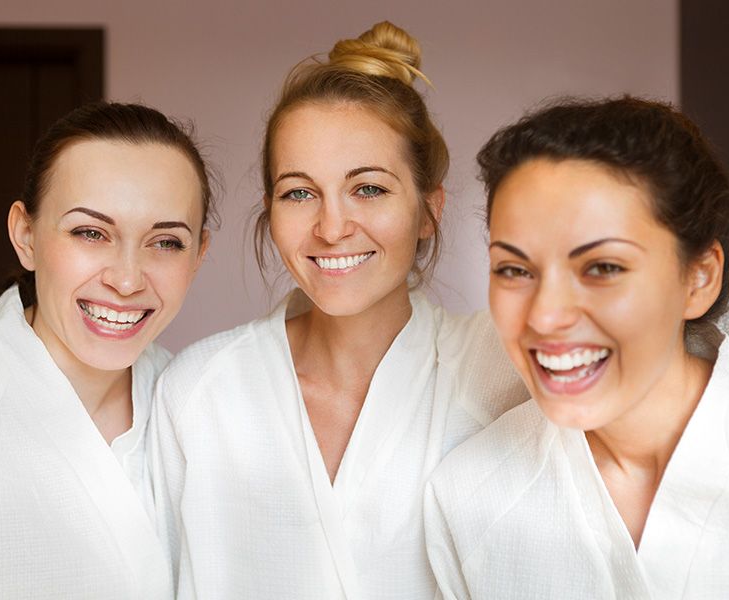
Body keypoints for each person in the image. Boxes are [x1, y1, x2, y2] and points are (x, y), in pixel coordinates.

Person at [149, 21, 528, 600]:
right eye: (299, 192)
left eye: (369, 189)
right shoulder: (200, 390)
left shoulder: (500, 368)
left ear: (429, 209)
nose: (330, 228)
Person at [424, 97, 729, 599]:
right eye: (515, 270)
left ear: (699, 277)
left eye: (602, 267)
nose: (544, 315)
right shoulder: (469, 497)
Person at [0, 101, 213, 599]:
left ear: (199, 254)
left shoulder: (200, 405)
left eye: (165, 243)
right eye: (90, 233)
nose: (125, 279)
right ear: (25, 235)